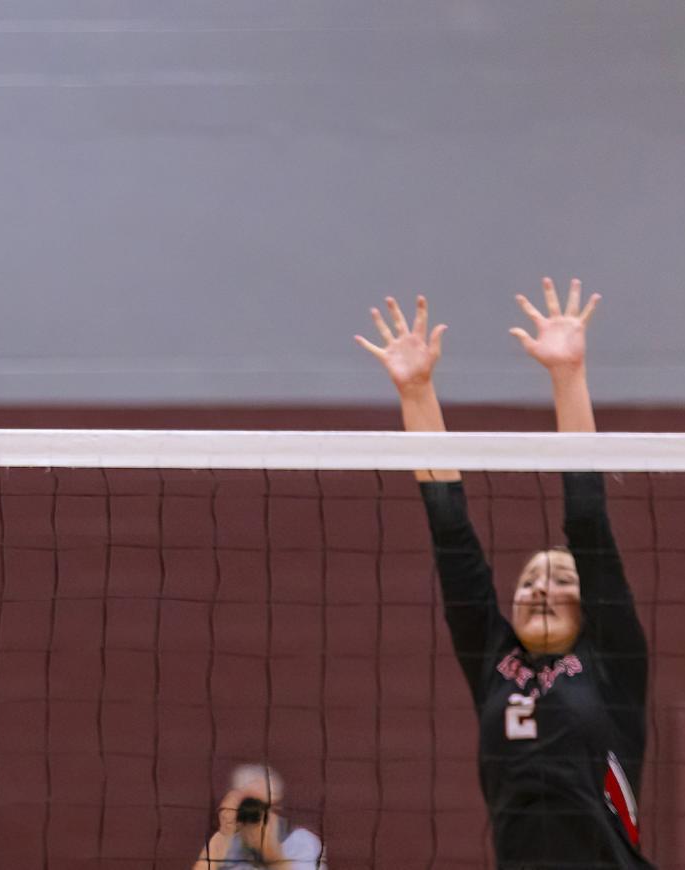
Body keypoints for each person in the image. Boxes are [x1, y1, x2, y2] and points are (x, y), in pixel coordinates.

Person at [356, 281, 653, 868]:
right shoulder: (494, 662)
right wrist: (416, 391)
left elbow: (587, 517)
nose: (541, 586)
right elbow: (453, 540)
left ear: (590, 603)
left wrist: (568, 375)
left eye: (563, 579)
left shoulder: (613, 661)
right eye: (530, 581)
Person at [193, 764, 325, 869]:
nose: (254, 812)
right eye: (248, 804)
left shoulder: (300, 841)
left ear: (275, 805)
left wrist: (269, 851)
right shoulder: (225, 843)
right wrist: (224, 833)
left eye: (261, 805)